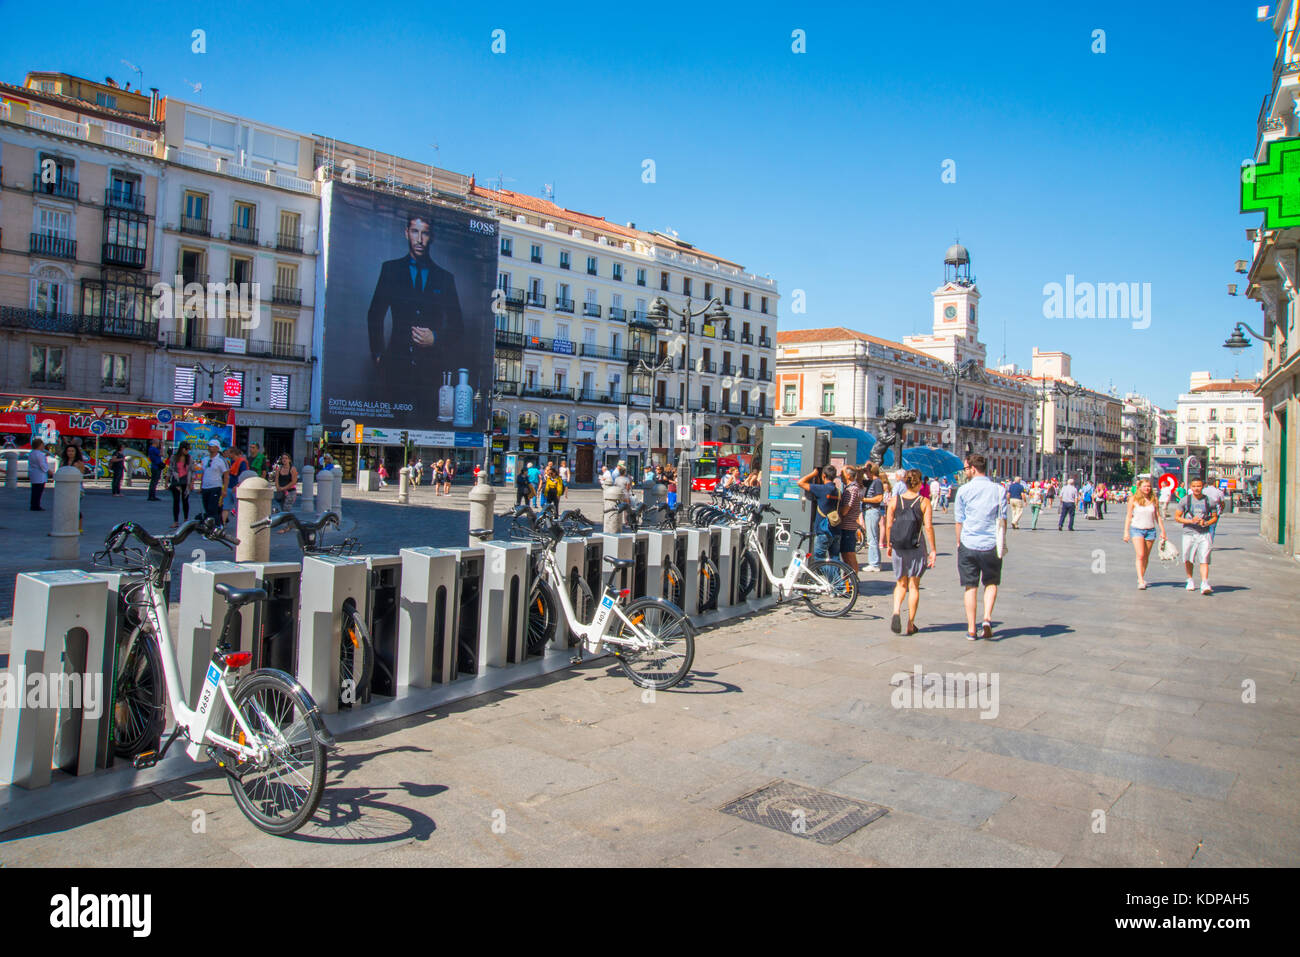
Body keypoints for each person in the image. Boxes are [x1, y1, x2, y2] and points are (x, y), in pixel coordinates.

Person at [366, 213, 465, 396]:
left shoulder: (445, 278)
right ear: (406, 233)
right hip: (395, 366)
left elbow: (457, 326)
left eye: (425, 233)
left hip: (432, 369)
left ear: (431, 237)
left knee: (428, 419)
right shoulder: (390, 269)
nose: (419, 240)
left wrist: (435, 337)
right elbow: (375, 314)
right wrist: (378, 354)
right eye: (414, 232)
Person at [954, 453, 1008, 640]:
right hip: (991, 544)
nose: (965, 472)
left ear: (973, 469)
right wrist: (1002, 540)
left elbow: (959, 520)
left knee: (970, 587)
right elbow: (1003, 519)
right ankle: (986, 618)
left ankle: (971, 628)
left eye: (966, 468)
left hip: (968, 542)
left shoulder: (963, 491)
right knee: (991, 583)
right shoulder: (999, 490)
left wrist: (959, 542)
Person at [883, 468, 937, 635]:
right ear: (920, 483)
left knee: (901, 583)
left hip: (898, 545)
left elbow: (889, 524)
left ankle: (896, 611)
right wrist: (933, 549)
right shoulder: (923, 501)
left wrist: (889, 543)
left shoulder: (895, 500)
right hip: (916, 546)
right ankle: (910, 624)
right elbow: (928, 527)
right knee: (914, 585)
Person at [1175, 478, 1219, 595]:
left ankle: (1204, 583)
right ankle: (1190, 580)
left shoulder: (1210, 501)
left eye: (1199, 486)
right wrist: (1190, 521)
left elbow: (1215, 517)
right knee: (1188, 558)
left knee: (1204, 558)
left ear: (1203, 486)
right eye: (1194, 486)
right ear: (1190, 487)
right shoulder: (1185, 500)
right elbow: (1177, 517)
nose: (1196, 488)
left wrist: (1206, 523)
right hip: (1189, 532)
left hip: (1204, 533)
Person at [1123, 478, 1166, 589]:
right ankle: (1141, 580)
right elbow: (1128, 516)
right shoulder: (1133, 499)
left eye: (1149, 486)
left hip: (1150, 530)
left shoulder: (1153, 499)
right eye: (1145, 486)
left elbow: (1158, 516)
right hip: (1137, 529)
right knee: (1140, 555)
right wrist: (1126, 532)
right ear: (1140, 487)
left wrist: (1163, 531)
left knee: (1146, 556)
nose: (1147, 488)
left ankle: (1141, 576)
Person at [796, 465, 841, 561]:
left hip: (823, 531)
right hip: (836, 529)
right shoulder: (838, 491)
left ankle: (822, 575)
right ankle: (836, 576)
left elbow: (800, 482)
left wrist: (813, 473)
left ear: (823, 476)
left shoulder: (821, 489)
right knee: (835, 559)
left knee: (819, 559)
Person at [835, 465, 863, 573]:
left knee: (849, 555)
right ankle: (849, 582)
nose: (840, 475)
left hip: (848, 526)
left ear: (848, 475)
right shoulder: (851, 488)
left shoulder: (852, 489)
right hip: (848, 526)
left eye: (842, 473)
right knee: (847, 555)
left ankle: (853, 582)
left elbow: (845, 510)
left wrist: (837, 510)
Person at [196, 439, 229, 527]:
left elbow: (226, 475)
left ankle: (215, 526)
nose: (209, 448)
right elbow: (203, 473)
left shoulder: (221, 460)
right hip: (205, 487)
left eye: (212, 446)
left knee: (213, 508)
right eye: (209, 446)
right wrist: (200, 486)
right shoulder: (205, 459)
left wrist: (224, 489)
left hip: (216, 486)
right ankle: (214, 524)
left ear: (217, 448)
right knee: (207, 508)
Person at [860, 463, 886, 572]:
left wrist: (864, 500)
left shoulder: (877, 482)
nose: (865, 473)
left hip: (872, 510)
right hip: (869, 511)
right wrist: (862, 470)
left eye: (867, 471)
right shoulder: (871, 482)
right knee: (872, 537)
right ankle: (875, 561)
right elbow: (859, 479)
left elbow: (879, 498)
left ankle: (874, 563)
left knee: (872, 538)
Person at [222, 445, 249, 526]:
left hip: (238, 488)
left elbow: (245, 476)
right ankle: (222, 525)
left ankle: (241, 526)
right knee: (225, 507)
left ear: (233, 453)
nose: (227, 454)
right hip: (229, 487)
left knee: (239, 508)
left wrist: (238, 485)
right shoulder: (231, 462)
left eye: (229, 452)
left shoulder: (242, 462)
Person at [169, 442, 192, 527]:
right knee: (176, 501)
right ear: (182, 449)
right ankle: (176, 521)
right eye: (187, 449)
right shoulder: (174, 457)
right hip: (176, 482)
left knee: (185, 501)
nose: (188, 451)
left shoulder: (189, 458)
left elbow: (191, 470)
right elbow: (170, 469)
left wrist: (191, 483)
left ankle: (186, 519)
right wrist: (167, 481)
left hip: (186, 482)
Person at [28, 437, 49, 511]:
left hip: (33, 474)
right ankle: (36, 505)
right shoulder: (40, 454)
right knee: (38, 491)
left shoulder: (31, 453)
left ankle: (33, 504)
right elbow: (42, 465)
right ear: (40, 445)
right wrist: (47, 470)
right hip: (40, 474)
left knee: (34, 491)